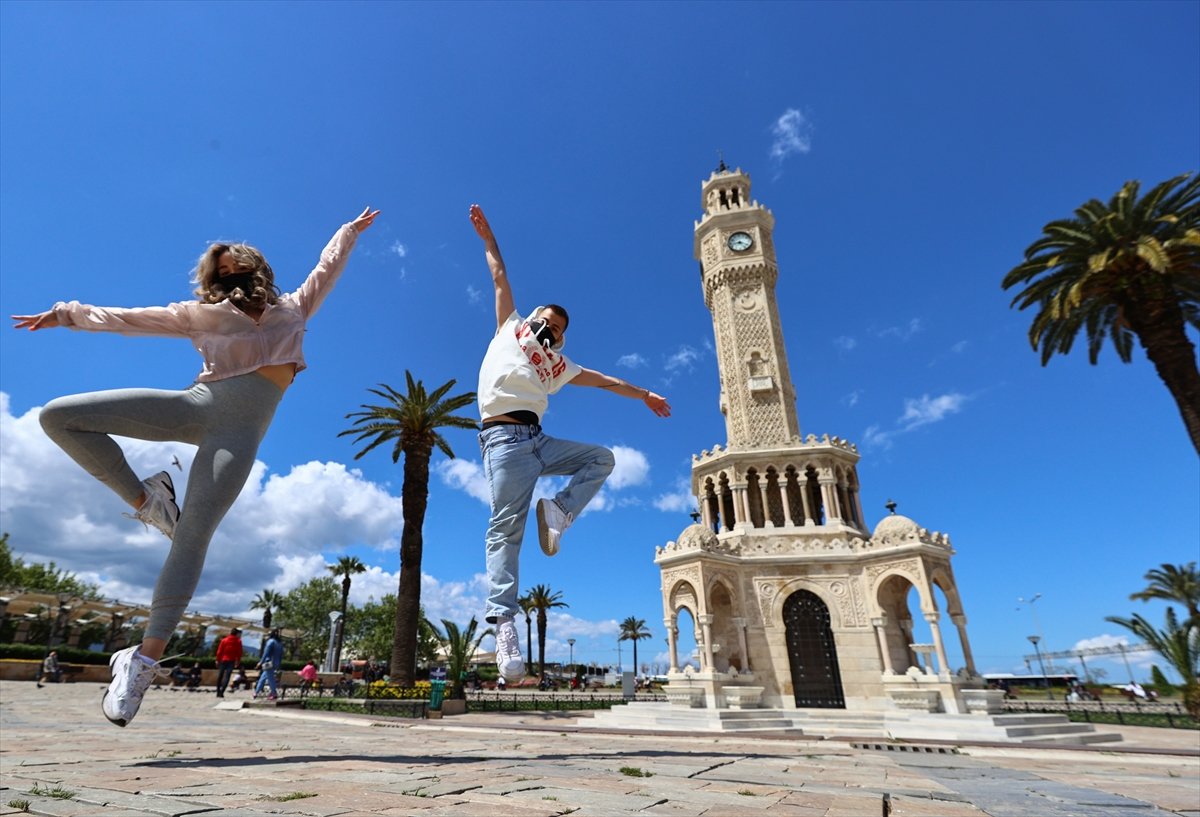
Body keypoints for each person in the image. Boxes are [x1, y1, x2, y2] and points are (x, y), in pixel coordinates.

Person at [11, 207, 378, 727]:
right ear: (212, 281)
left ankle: (140, 664)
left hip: (238, 435)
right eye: (221, 270)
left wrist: (349, 231)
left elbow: (327, 267)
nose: (231, 274)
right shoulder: (199, 315)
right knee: (59, 416)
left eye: (238, 266)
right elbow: (127, 319)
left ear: (258, 268)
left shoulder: (294, 308)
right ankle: (146, 500)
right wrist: (66, 313)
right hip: (196, 406)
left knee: (194, 536)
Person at [468, 205, 671, 682]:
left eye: (557, 328)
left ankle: (558, 510)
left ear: (560, 339)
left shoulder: (561, 366)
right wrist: (488, 239)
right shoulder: (510, 328)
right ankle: (504, 624)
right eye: (547, 320)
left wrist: (643, 394)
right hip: (503, 442)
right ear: (534, 317)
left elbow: (605, 382)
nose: (550, 328)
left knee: (602, 458)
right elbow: (499, 277)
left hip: (539, 441)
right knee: (505, 531)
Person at [214, 628, 243, 698]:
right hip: (231, 661)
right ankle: (222, 691)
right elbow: (239, 653)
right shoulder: (238, 641)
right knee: (227, 676)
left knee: (220, 676)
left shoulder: (224, 640)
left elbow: (219, 651)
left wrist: (217, 660)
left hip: (223, 660)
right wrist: (238, 661)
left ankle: (218, 691)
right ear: (236, 634)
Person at [255, 629, 283, 701]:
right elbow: (280, 655)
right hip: (276, 663)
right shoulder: (279, 643)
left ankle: (274, 693)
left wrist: (261, 662)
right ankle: (256, 692)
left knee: (270, 678)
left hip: (269, 663)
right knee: (263, 677)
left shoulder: (270, 642)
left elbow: (266, 653)